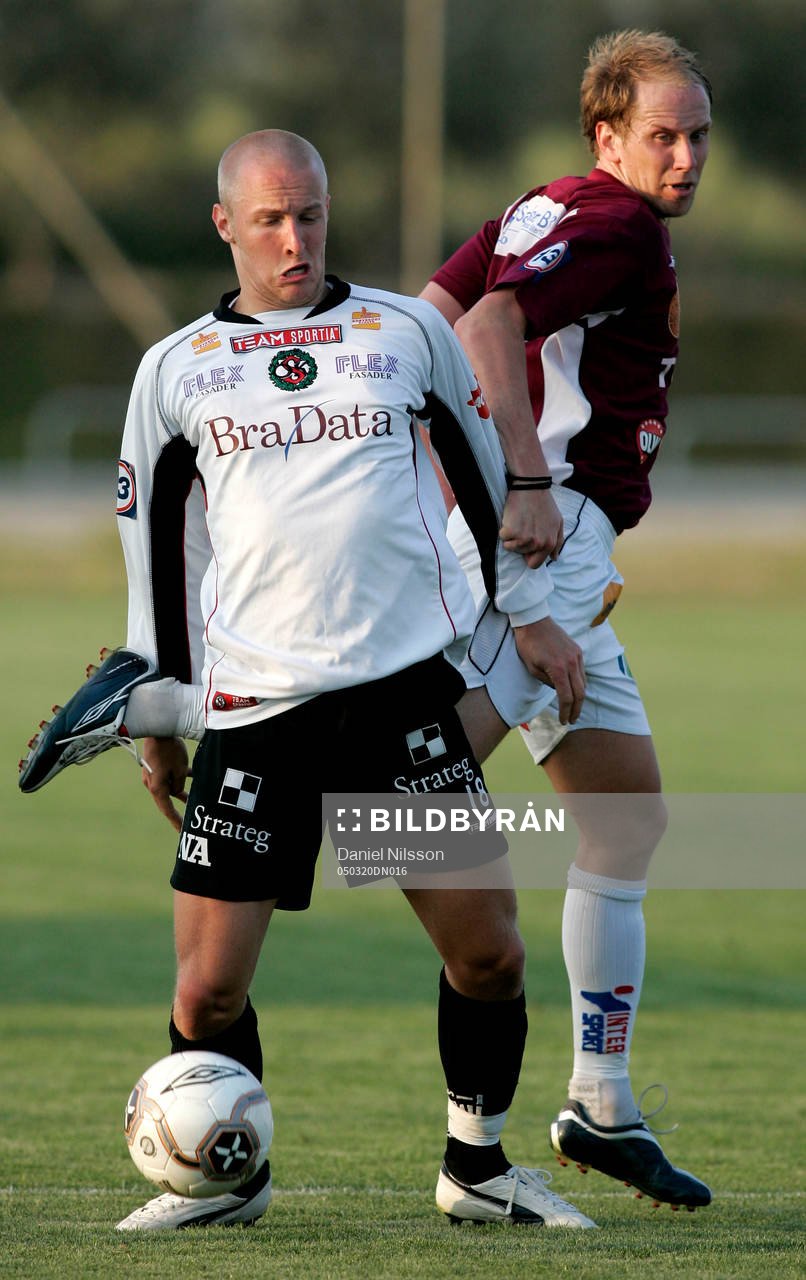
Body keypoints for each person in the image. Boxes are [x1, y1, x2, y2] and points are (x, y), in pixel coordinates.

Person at [20, 129, 596, 1232]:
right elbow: (159, 559)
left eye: (312, 214)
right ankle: (229, 1181)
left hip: (395, 701)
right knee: (207, 990)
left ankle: (474, 1167)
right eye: (272, 218)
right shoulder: (176, 369)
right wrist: (160, 709)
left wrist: (525, 620)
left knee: (486, 952)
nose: (295, 237)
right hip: (256, 712)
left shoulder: (404, 330)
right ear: (224, 225)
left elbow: (484, 488)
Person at [419, 29, 713, 1208]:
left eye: (696, 135)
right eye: (661, 135)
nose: (684, 157)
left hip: (546, 547)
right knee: (406, 806)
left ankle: (598, 1104)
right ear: (607, 137)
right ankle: (468, 1147)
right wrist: (522, 487)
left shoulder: (543, 201)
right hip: (545, 539)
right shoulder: (619, 223)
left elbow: (435, 311)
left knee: (623, 818)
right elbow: (486, 326)